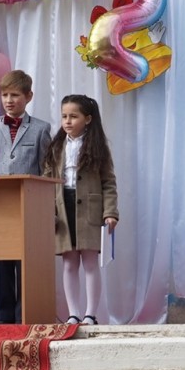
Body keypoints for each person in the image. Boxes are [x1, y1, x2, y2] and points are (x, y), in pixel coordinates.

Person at [0, 69, 52, 324]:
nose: (9, 101)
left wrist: (46, 204)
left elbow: (46, 168)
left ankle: (25, 315)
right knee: (3, 259)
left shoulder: (41, 128)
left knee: (26, 261)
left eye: (15, 95)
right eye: (5, 95)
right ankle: (4, 317)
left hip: (28, 204)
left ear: (28, 96)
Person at [41, 94, 116, 325]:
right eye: (64, 116)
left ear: (88, 119)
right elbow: (47, 180)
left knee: (90, 262)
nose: (67, 121)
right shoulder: (56, 147)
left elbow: (108, 182)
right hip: (63, 208)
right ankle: (73, 313)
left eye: (73, 116)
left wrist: (110, 212)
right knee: (69, 263)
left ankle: (90, 314)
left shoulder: (98, 148)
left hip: (90, 210)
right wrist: (47, 211)